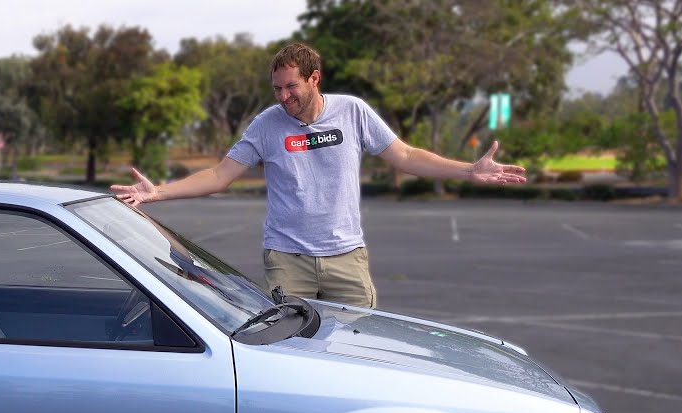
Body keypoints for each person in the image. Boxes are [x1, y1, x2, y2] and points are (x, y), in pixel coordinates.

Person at [110, 42, 527, 308]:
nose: (284, 97)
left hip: (346, 257)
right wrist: (158, 193)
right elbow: (221, 175)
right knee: (290, 355)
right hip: (288, 260)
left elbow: (405, 155)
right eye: (277, 89)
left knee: (356, 351)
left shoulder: (353, 112)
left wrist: (468, 169)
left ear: (314, 78)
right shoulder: (267, 124)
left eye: (291, 87)